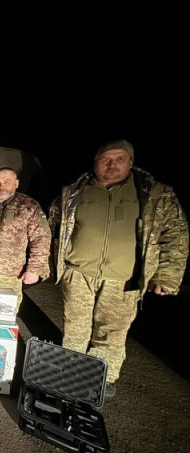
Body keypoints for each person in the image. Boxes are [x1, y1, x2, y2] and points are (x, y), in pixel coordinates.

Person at [49, 139, 188, 398]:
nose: (112, 165)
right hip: (78, 273)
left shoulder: (154, 195)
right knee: (75, 327)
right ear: (96, 163)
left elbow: (175, 235)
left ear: (131, 163)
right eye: (106, 159)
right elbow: (53, 225)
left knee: (111, 331)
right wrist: (52, 264)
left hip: (124, 279)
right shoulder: (75, 192)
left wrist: (167, 276)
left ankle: (103, 377)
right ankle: (70, 371)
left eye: (120, 159)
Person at [0, 167, 51, 312]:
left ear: (16, 183)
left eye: (6, 182)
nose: (1, 186)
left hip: (10, 274)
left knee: (5, 314)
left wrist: (34, 269)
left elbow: (41, 238)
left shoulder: (29, 206)